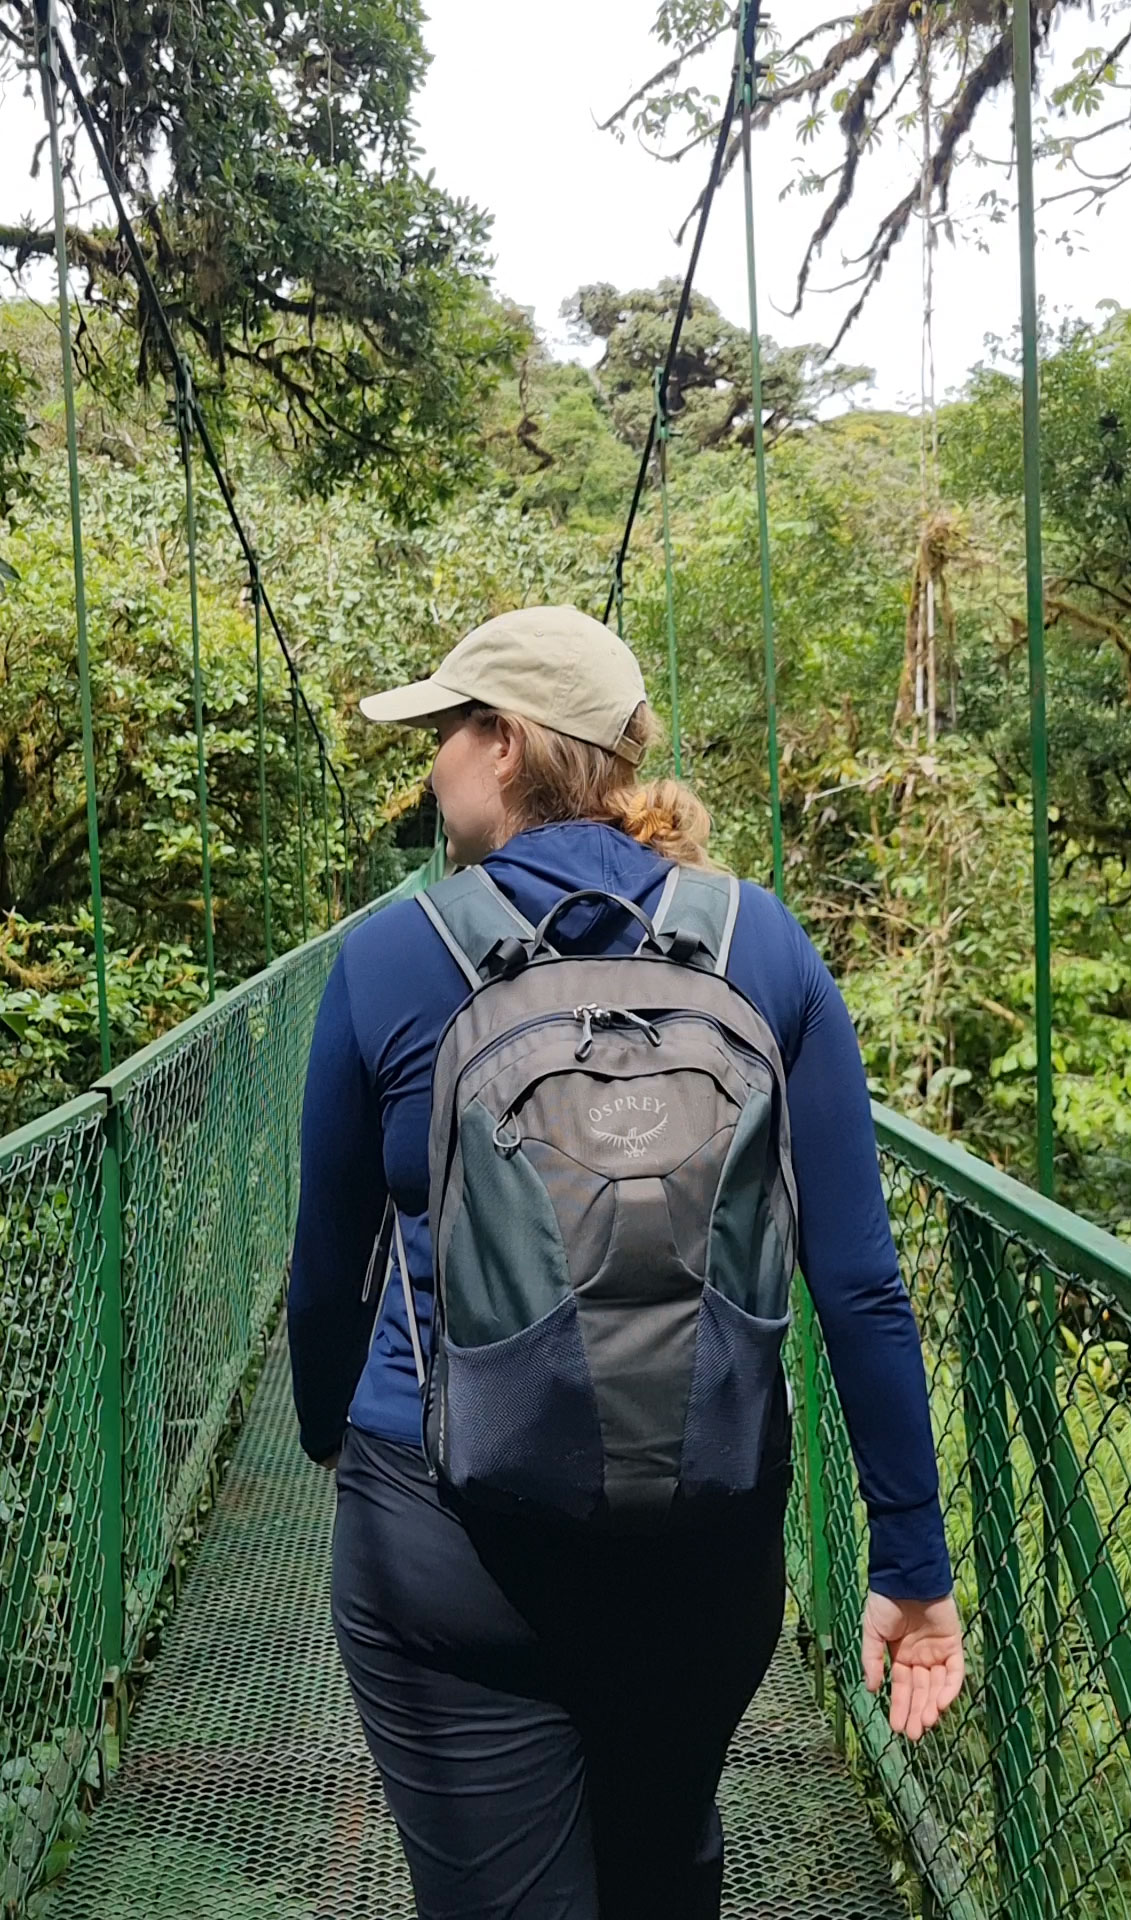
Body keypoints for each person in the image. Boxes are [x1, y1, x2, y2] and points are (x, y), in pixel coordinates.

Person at [288, 604, 964, 1920]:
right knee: (662, 1872)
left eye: (441, 735)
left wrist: (330, 1435)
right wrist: (912, 1565)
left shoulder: (387, 958)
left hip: (445, 1538)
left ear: (501, 746)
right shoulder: (760, 942)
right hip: (702, 1544)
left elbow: (328, 1276)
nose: (429, 769)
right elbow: (861, 1284)